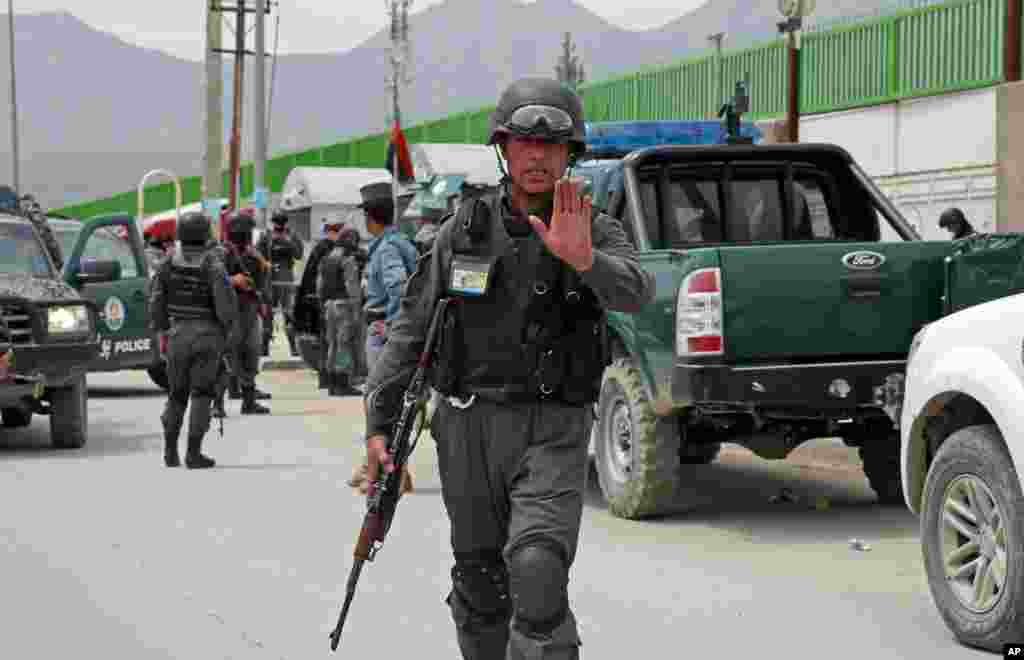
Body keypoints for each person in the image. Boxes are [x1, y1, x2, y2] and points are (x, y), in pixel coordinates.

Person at [362, 77, 655, 659]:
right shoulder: (463, 230)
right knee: (478, 581)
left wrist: (585, 260)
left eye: (552, 145)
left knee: (537, 568)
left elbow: (639, 291)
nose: (538, 155)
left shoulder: (592, 227)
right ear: (505, 147)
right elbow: (410, 331)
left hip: (553, 428)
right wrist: (377, 423)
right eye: (525, 142)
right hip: (467, 429)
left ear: (571, 153)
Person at [149, 212, 237, 469]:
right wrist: (226, 331)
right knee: (201, 393)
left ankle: (169, 451)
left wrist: (164, 329)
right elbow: (225, 307)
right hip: (207, 337)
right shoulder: (213, 264)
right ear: (205, 234)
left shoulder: (167, 263)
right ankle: (193, 453)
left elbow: (155, 301)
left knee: (176, 395)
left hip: (177, 336)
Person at [360, 181, 419, 375]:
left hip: (382, 332)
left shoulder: (387, 249)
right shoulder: (400, 242)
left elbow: (399, 288)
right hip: (394, 329)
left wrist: (392, 327)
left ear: (369, 217)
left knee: (379, 397)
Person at [221, 212, 272, 415]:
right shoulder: (221, 254)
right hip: (229, 312)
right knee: (225, 357)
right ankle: (217, 404)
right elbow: (209, 279)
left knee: (251, 354)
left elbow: (261, 282)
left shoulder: (252, 255)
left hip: (250, 310)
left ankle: (248, 401)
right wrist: (233, 280)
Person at [316, 225, 367, 396]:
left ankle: (331, 383)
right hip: (344, 305)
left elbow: (320, 286)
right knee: (344, 343)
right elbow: (352, 286)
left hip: (328, 305)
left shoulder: (327, 258)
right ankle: (342, 383)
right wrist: (357, 310)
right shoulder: (348, 259)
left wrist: (323, 303)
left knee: (333, 344)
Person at [257, 211, 304, 356]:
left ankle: (293, 347)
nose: (279, 226)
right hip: (270, 276)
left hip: (286, 275)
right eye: (277, 222)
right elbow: (257, 254)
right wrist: (265, 263)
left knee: (288, 313)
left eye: (281, 222)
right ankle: (264, 346)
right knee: (268, 314)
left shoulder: (292, 235)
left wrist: (288, 241)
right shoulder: (266, 236)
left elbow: (298, 254)